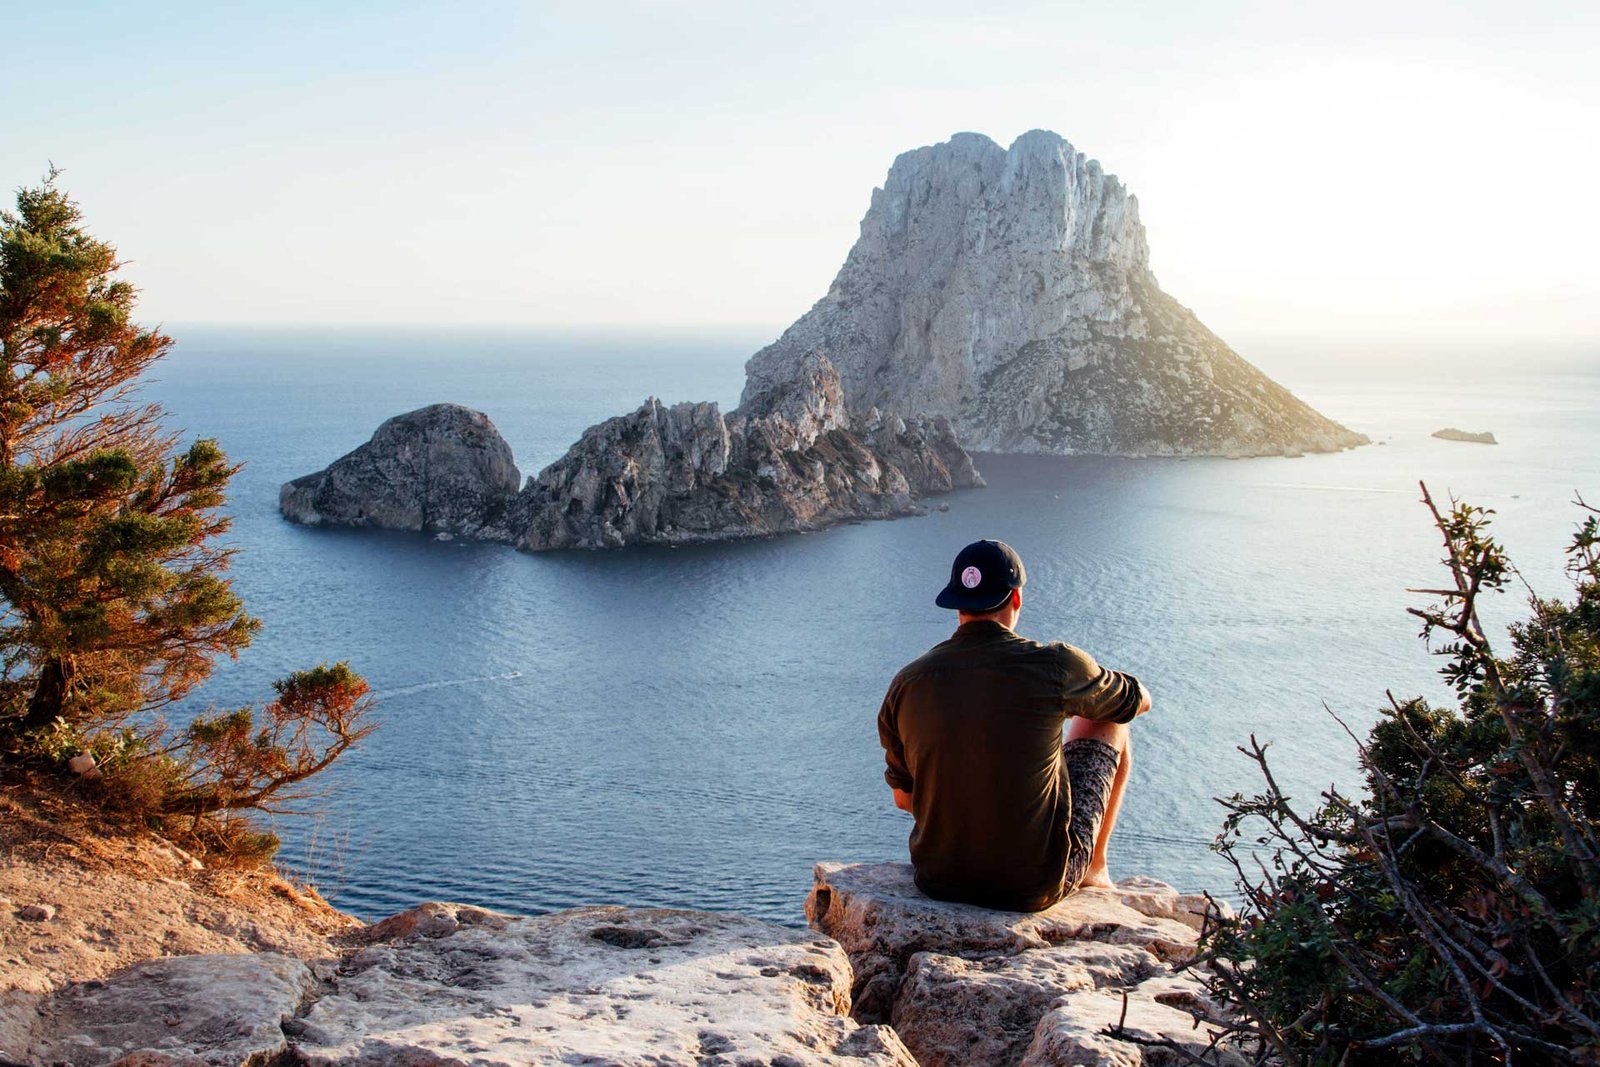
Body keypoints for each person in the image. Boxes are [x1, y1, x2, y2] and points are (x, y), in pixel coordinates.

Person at [877, 539, 1150, 911]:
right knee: (1112, 721)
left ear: (957, 605)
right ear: (1016, 598)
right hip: (1031, 886)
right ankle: (1094, 868)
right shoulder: (1055, 666)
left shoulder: (908, 683)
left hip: (939, 879)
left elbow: (904, 799)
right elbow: (1136, 701)